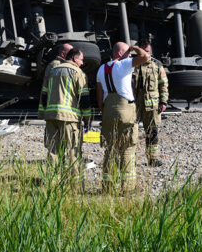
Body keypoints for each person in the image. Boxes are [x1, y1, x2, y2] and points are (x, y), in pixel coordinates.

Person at [96, 42, 149, 193]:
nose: (130, 55)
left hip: (108, 109)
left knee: (110, 149)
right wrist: (134, 47)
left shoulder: (101, 68)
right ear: (120, 54)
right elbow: (145, 56)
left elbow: (99, 94)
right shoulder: (124, 64)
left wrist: (103, 110)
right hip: (125, 109)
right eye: (128, 52)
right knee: (127, 148)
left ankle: (108, 186)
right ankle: (128, 187)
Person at [40, 47, 92, 189]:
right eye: (81, 60)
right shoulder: (77, 72)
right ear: (75, 58)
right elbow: (84, 98)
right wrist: (88, 119)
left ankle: (52, 185)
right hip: (69, 118)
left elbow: (44, 94)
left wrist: (44, 113)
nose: (82, 63)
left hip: (51, 117)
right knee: (72, 151)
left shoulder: (53, 70)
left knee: (53, 152)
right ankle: (75, 187)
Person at [132, 38, 169, 167]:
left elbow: (163, 84)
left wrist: (163, 102)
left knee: (152, 132)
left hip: (152, 104)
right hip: (134, 104)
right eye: (143, 51)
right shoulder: (132, 63)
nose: (146, 54)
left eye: (148, 51)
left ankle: (153, 159)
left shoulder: (157, 65)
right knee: (131, 131)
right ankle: (130, 159)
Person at [38, 43, 72, 117]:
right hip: (57, 110)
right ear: (63, 53)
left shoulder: (59, 64)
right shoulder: (56, 65)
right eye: (71, 53)